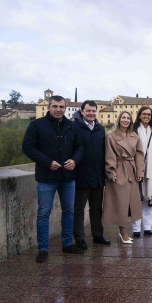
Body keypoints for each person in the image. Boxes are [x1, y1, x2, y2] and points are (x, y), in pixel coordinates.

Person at [22, 95, 85, 263]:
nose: (58, 109)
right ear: (49, 107)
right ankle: (43, 248)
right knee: (43, 213)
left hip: (68, 177)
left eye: (61, 107)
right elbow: (27, 147)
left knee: (69, 211)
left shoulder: (72, 126)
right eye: (55, 106)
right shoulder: (36, 125)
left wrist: (74, 160)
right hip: (46, 177)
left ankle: (67, 244)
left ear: (65, 108)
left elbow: (79, 148)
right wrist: (47, 162)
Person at [102, 111, 145, 244]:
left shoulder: (134, 135)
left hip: (131, 170)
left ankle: (124, 231)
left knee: (131, 203)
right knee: (120, 202)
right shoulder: (111, 135)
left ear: (131, 121)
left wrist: (139, 172)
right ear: (119, 119)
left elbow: (139, 155)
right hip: (118, 170)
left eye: (128, 118)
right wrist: (111, 171)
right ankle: (122, 231)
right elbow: (109, 154)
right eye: (123, 118)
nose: (125, 120)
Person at [72, 100, 110, 249]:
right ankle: (79, 239)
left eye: (94, 111)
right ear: (81, 111)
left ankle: (98, 235)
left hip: (98, 176)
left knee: (96, 208)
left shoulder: (100, 128)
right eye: (88, 111)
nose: (91, 113)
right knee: (78, 210)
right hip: (80, 176)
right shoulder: (74, 127)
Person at [131, 106, 152, 238]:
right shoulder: (133, 130)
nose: (146, 116)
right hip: (136, 168)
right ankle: (136, 228)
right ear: (139, 115)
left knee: (148, 199)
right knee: (136, 200)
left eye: (149, 115)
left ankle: (148, 227)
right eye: (144, 114)